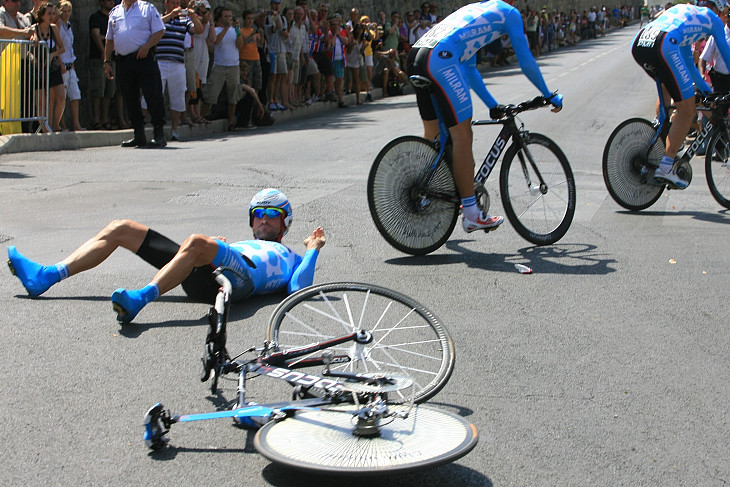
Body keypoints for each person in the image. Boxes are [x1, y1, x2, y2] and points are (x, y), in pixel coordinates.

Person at [7, 188, 327, 325]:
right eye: (258, 213)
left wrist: (312, 251)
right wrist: (213, 249)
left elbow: (298, 289)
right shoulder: (244, 240)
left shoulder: (291, 255)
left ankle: (140, 298)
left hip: (242, 280)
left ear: (285, 223)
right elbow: (206, 248)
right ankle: (45, 276)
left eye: (273, 214)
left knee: (199, 241)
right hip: (211, 267)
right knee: (122, 227)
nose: (264, 219)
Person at [407, 0, 562, 233]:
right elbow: (526, 61)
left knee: (436, 134)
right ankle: (471, 213)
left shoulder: (474, 11)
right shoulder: (509, 13)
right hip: (440, 59)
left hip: (416, 55)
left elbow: (469, 69)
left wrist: (493, 105)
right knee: (462, 136)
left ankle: (422, 192)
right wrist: (548, 94)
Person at [632, 0, 730, 189]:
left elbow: (688, 63)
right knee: (687, 111)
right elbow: (727, 58)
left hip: (640, 42)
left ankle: (660, 139)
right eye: (724, 12)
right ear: (717, 9)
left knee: (668, 90)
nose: (724, 16)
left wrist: (707, 91)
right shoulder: (713, 20)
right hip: (664, 43)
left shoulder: (689, 14)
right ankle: (666, 167)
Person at [104, 0, 167, 148]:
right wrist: (107, 62)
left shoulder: (147, 8)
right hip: (123, 61)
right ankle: (139, 135)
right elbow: (109, 39)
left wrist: (147, 46)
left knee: (153, 96)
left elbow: (159, 31)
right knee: (130, 98)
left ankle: (159, 135)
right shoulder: (115, 12)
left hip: (144, 59)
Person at [147, 0, 203, 142]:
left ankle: (174, 129)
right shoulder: (159, 18)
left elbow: (199, 30)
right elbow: (153, 26)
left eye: (177, 3)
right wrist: (170, 15)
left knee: (177, 97)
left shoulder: (184, 21)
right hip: (160, 61)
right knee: (154, 94)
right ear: (166, 3)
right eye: (172, 3)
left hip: (177, 63)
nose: (175, 6)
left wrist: (194, 17)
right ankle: (150, 126)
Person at [204, 7, 243, 130]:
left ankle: (231, 122)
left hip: (234, 66)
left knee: (233, 95)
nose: (228, 19)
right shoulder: (216, 30)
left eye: (230, 16)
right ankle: (201, 116)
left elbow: (240, 45)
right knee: (211, 94)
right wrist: (226, 27)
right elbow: (216, 41)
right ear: (220, 18)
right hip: (219, 66)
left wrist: (238, 31)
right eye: (225, 16)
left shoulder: (234, 30)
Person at [30, 2, 65, 133]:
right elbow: (31, 42)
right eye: (48, 13)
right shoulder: (35, 28)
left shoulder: (54, 28)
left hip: (52, 66)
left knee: (61, 97)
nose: (51, 16)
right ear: (42, 14)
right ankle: (45, 128)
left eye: (53, 13)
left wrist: (52, 55)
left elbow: (62, 48)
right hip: (39, 67)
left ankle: (56, 125)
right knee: (41, 101)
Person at [57, 0, 84, 132]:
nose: (66, 14)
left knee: (75, 95)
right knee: (62, 97)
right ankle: (61, 125)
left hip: (70, 64)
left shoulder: (69, 25)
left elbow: (70, 47)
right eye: (63, 11)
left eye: (68, 11)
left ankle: (76, 124)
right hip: (62, 65)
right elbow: (57, 46)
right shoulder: (58, 25)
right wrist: (61, 64)